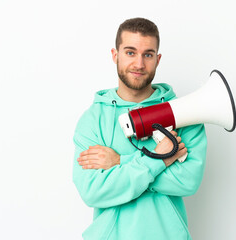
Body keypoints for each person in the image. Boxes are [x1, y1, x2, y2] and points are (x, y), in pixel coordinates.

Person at [73, 17, 207, 240]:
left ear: (158, 59)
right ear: (115, 55)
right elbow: (92, 191)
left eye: (148, 54)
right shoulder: (92, 120)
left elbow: (188, 180)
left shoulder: (186, 114)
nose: (139, 64)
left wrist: (118, 162)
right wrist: (159, 159)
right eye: (130, 52)